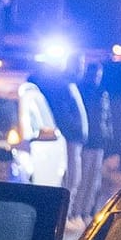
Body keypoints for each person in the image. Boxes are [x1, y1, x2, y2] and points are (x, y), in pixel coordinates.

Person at [33, 57, 90, 217]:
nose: (81, 69)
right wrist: (72, 131)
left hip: (76, 140)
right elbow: (63, 114)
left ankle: (67, 215)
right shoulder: (62, 85)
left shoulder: (71, 85)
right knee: (70, 180)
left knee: (75, 179)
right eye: (78, 65)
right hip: (70, 140)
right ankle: (62, 216)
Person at [78, 58, 113, 213]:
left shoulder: (102, 93)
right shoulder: (83, 92)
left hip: (99, 141)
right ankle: (76, 212)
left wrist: (108, 137)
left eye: (98, 74)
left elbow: (107, 117)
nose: (96, 77)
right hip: (87, 142)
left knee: (94, 181)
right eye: (94, 74)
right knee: (83, 180)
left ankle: (86, 212)